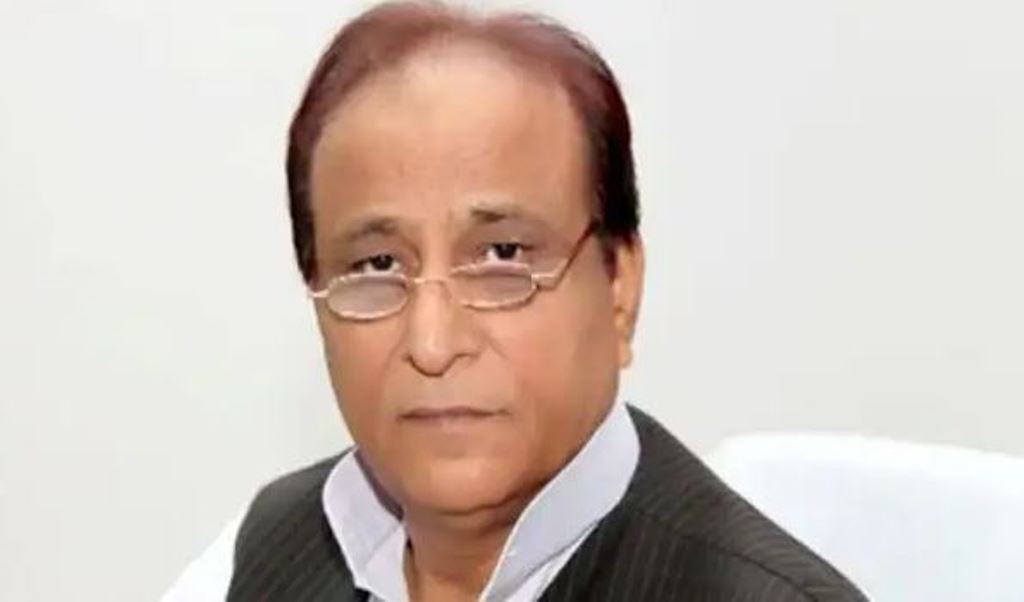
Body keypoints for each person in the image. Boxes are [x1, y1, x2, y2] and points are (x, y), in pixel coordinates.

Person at [168, 2, 868, 600]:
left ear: (619, 287)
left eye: (502, 256)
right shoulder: (280, 542)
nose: (432, 342)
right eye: (377, 265)